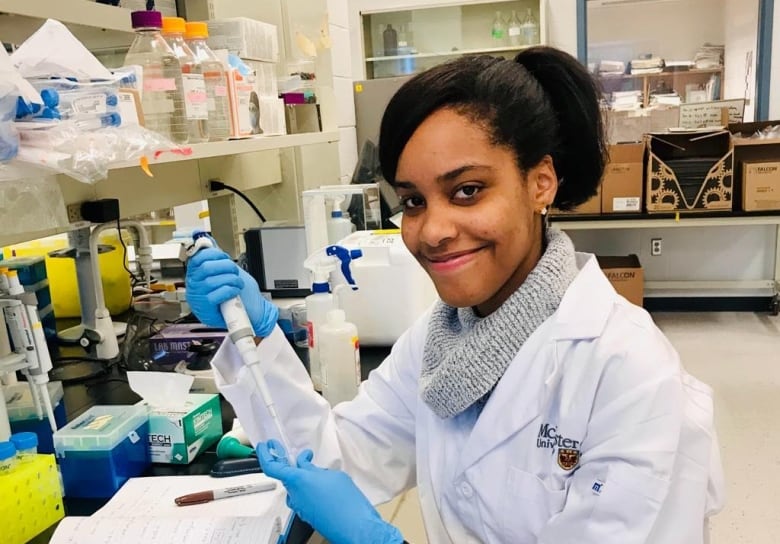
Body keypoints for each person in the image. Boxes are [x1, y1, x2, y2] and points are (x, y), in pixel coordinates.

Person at [185, 47, 725, 544]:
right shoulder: (442, 340)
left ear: (541, 183)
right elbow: (330, 459)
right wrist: (254, 336)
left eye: (467, 191)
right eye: (414, 200)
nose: (433, 229)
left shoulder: (630, 373)